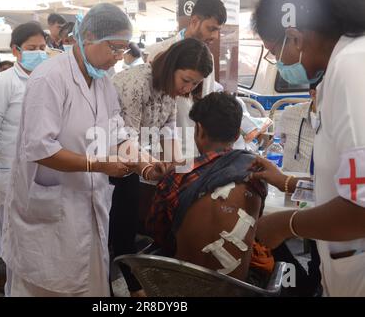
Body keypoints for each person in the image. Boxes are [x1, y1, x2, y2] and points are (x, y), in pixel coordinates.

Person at [0, 4, 162, 297]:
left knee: (89, 285)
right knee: (46, 288)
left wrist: (142, 162)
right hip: (48, 212)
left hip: (89, 209)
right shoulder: (49, 78)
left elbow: (115, 133)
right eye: (113, 48)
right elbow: (40, 149)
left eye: (123, 50)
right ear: (87, 37)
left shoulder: (103, 84)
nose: (117, 58)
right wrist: (99, 165)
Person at [250, 0, 365, 296]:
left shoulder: (353, 67)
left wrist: (286, 224)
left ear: (296, 37)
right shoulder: (338, 71)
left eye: (274, 53)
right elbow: (346, 184)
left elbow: (361, 207)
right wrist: (287, 181)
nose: (280, 64)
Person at [110, 38, 213, 296]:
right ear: (171, 67)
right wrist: (151, 167)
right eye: (186, 80)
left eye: (196, 83)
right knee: (117, 232)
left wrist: (179, 168)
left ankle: (139, 286)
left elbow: (168, 130)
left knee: (135, 226)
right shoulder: (135, 83)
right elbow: (125, 138)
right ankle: (126, 289)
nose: (188, 87)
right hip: (112, 164)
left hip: (136, 162)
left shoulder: (169, 89)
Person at [146, 92, 273, 283]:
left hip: (182, 286)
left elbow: (157, 231)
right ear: (237, 134)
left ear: (199, 130)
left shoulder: (177, 176)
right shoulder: (257, 173)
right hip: (239, 290)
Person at [0, 22, 47, 295]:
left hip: (43, 175)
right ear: (16, 51)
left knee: (38, 243)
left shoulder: (47, 80)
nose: (38, 53)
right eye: (32, 48)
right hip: (11, 176)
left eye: (42, 47)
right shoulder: (3, 83)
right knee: (14, 244)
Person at [144, 0, 226, 156]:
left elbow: (207, 98)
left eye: (218, 30)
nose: (214, 36)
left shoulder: (207, 56)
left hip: (196, 148)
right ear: (194, 21)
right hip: (165, 148)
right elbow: (150, 106)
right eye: (211, 28)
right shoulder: (161, 52)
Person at [276, 86, 317, 173]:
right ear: (313, 94)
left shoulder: (342, 122)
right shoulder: (290, 113)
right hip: (289, 180)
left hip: (322, 183)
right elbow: (277, 142)